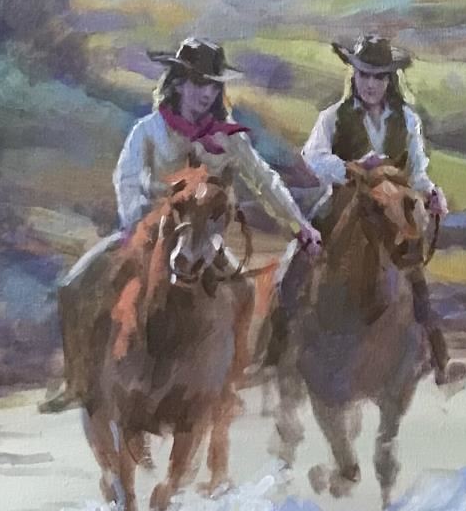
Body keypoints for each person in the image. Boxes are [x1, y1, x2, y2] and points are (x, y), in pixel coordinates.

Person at [40, 37, 321, 413]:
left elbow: (264, 181)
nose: (206, 93)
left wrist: (300, 225)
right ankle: (77, 379)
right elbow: (127, 179)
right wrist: (137, 220)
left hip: (202, 237)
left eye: (213, 85)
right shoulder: (148, 130)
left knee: (242, 292)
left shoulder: (229, 137)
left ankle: (230, 377)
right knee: (75, 285)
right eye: (197, 82)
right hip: (150, 229)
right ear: (177, 83)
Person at [261, 34, 466, 392]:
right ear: (354, 75)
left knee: (415, 276)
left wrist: (431, 193)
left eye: (379, 77)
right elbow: (313, 157)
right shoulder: (333, 117)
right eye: (364, 75)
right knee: (294, 266)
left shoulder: (407, 120)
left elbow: (417, 170)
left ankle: (441, 361)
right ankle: (275, 351)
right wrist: (351, 168)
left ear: (390, 79)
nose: (371, 84)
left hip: (391, 212)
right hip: (344, 201)